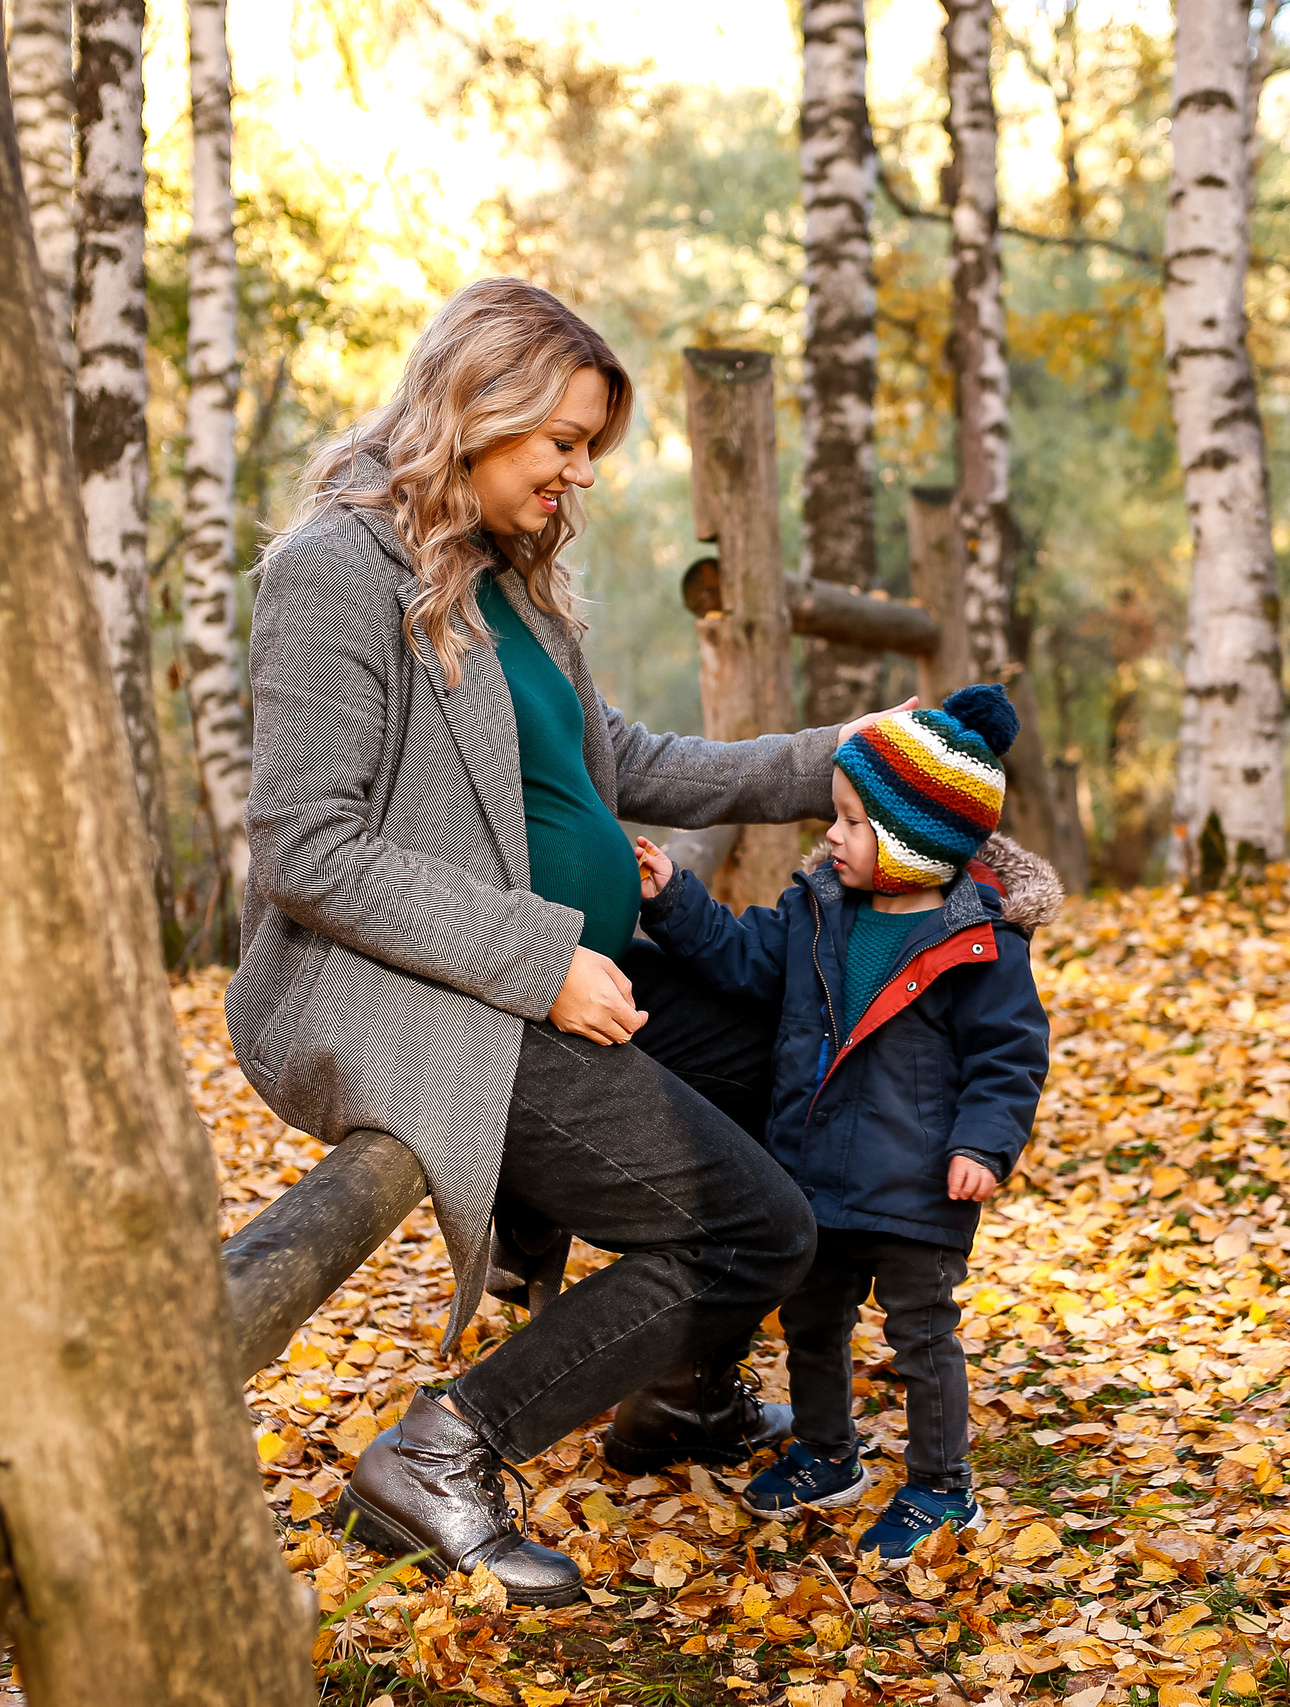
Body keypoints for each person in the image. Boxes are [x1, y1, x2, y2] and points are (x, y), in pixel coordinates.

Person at [228, 277, 908, 1607]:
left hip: (560, 977)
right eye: (564, 441)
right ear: (479, 407)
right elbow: (304, 849)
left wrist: (838, 755)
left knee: (805, 1060)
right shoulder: (333, 570)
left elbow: (621, 764)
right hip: (431, 1000)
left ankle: (678, 1393)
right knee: (744, 1226)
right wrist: (540, 961)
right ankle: (442, 1452)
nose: (578, 473)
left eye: (590, 445)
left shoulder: (502, 578)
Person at [629, 685, 1057, 1559]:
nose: (832, 835)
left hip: (914, 1182)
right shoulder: (818, 910)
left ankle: (943, 1486)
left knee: (920, 1335)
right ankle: (828, 1451)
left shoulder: (978, 945)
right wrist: (675, 899)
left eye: (854, 822)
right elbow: (742, 960)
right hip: (814, 1171)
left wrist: (984, 1143)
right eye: (838, 816)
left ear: (913, 841)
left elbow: (1010, 1056)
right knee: (812, 1322)